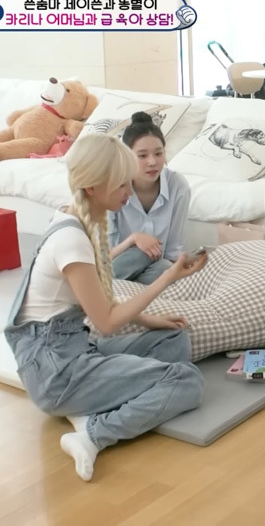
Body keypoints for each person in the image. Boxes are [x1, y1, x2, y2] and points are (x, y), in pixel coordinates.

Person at [4, 133, 207, 482]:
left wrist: (150, 320)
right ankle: (93, 434)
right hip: (55, 373)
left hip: (73, 350)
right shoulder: (71, 239)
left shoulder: (77, 220)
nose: (129, 191)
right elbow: (107, 321)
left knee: (174, 340)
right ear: (94, 187)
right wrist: (168, 276)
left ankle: (89, 403)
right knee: (187, 381)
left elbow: (100, 299)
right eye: (121, 184)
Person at [108, 112, 191, 285]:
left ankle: (127, 287)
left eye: (158, 154)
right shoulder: (112, 186)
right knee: (141, 254)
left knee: (165, 268)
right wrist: (133, 239)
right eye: (142, 155)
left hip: (155, 268)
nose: (152, 162)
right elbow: (105, 255)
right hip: (116, 264)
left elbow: (173, 251)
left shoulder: (178, 186)